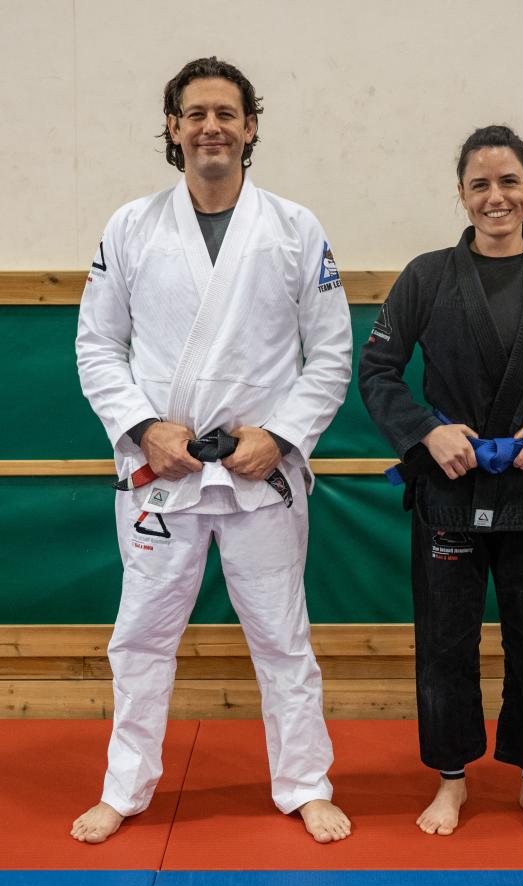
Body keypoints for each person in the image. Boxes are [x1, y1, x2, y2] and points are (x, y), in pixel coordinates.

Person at [72, 56, 353, 845]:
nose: (210, 127)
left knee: (282, 637)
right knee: (140, 636)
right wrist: (144, 427)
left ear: (250, 126)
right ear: (173, 127)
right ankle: (124, 787)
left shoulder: (295, 228)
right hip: (165, 470)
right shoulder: (131, 227)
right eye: (194, 114)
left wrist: (282, 436)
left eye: (226, 113)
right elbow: (97, 346)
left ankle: (305, 783)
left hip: (261, 473)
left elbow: (331, 352)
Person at [359, 125, 523, 840]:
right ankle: (452, 778)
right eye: (480, 185)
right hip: (451, 487)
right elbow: (377, 371)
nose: (495, 196)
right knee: (446, 641)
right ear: (462, 194)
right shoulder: (426, 276)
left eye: (508, 181)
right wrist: (425, 431)